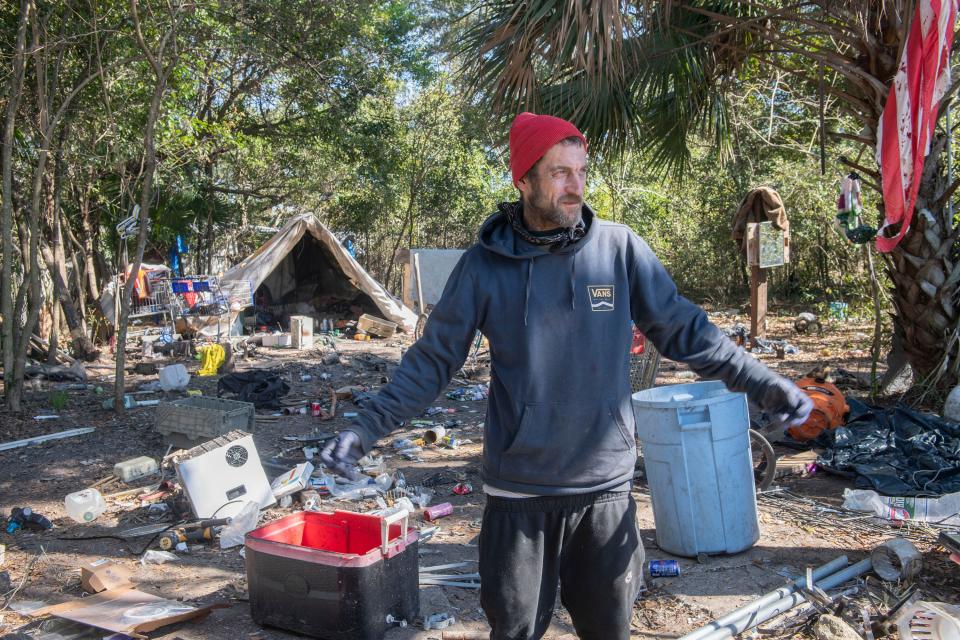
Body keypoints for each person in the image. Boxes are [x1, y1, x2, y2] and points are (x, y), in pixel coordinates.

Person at [322, 112, 814, 640]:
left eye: (580, 171)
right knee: (514, 632)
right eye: (559, 173)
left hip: (606, 491)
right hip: (519, 495)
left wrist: (764, 381)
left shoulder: (619, 250)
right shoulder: (483, 267)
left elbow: (688, 332)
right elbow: (432, 362)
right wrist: (364, 429)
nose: (574, 185)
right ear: (524, 180)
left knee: (608, 631)